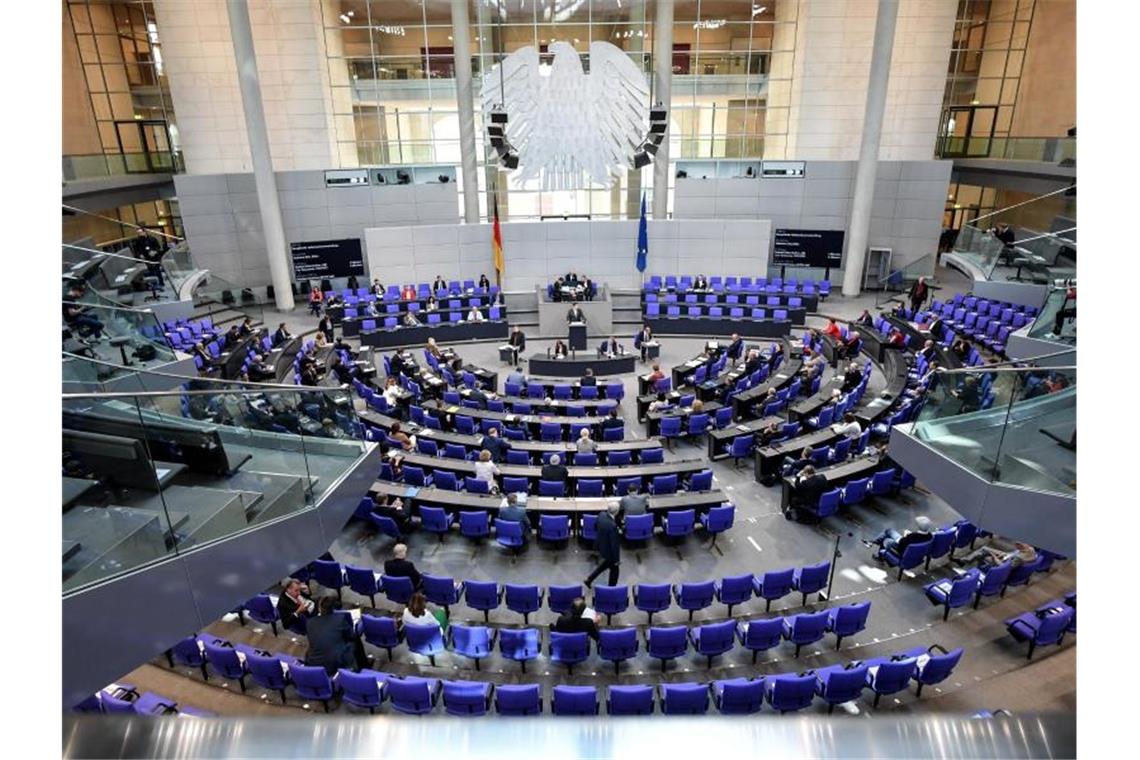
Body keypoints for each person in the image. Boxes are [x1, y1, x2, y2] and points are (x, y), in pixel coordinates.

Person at [305, 595, 368, 675]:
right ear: (333, 609)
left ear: (319, 608)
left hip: (315, 662)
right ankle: (362, 668)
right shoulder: (340, 619)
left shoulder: (310, 622)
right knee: (356, 641)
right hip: (336, 663)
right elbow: (351, 636)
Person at [584, 502, 621, 587]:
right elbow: (614, 545)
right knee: (615, 570)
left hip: (600, 545)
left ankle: (589, 579)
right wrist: (617, 560)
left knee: (605, 565)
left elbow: (595, 526)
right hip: (609, 551)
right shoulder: (613, 526)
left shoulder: (601, 514)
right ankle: (611, 589)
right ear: (617, 511)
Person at [866, 515, 934, 556]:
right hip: (911, 548)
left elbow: (901, 543)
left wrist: (906, 535)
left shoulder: (911, 536)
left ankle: (879, 556)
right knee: (889, 531)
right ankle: (872, 542)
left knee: (886, 539)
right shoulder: (930, 536)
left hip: (902, 549)